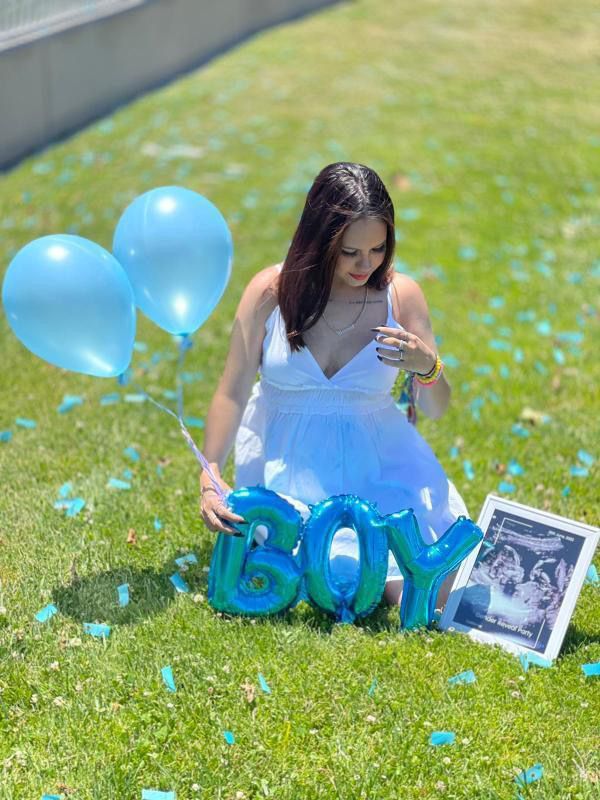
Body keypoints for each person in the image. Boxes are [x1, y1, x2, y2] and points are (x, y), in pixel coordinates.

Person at [199, 162, 468, 609]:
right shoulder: (272, 292)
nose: (367, 265)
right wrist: (210, 477)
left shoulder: (401, 296)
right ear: (319, 241)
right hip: (284, 471)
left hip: (374, 471)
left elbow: (438, 409)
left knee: (420, 592)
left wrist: (427, 365)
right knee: (307, 577)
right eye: (349, 252)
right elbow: (232, 388)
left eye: (378, 249)